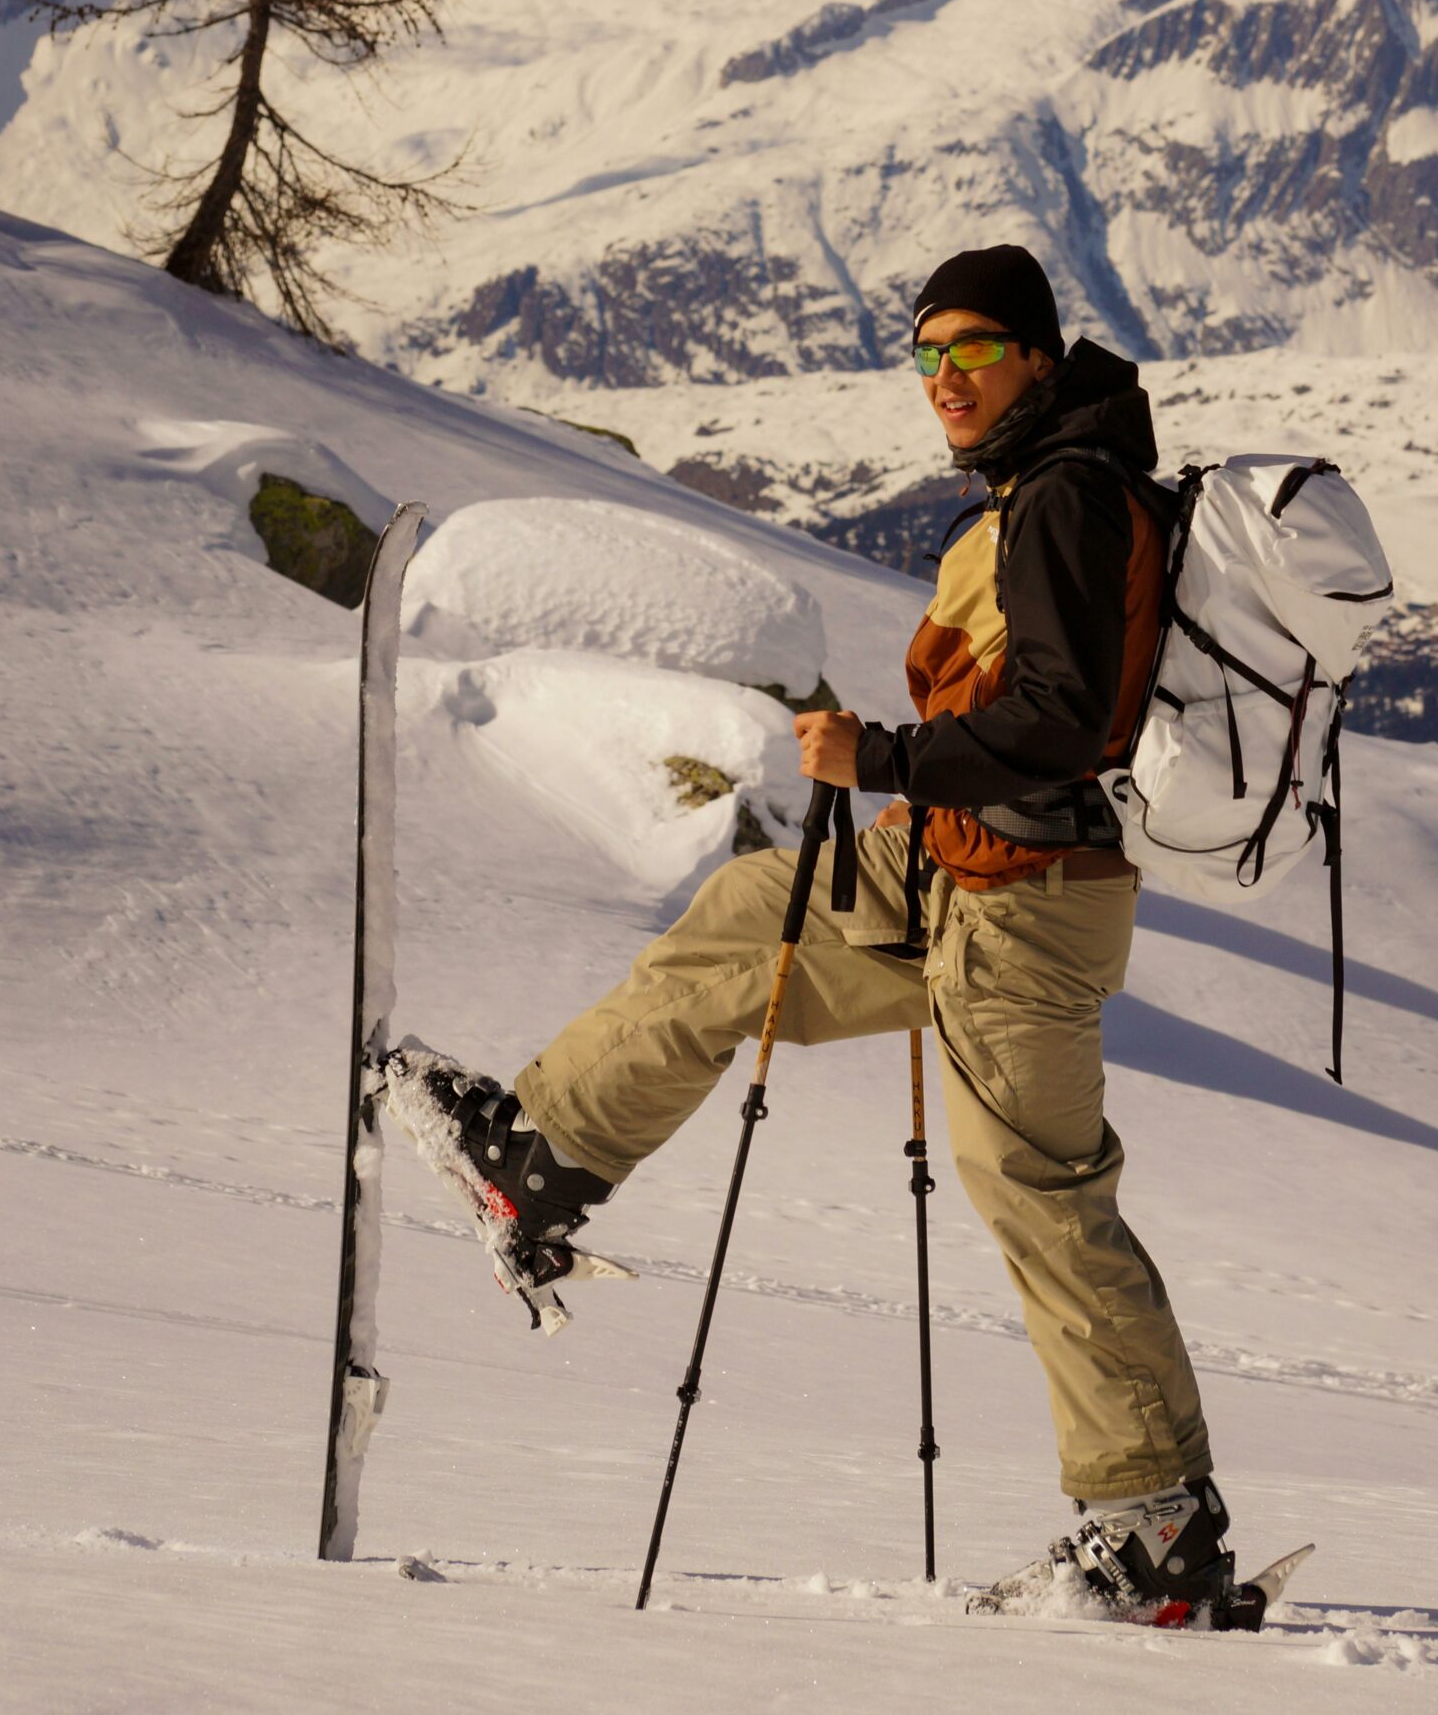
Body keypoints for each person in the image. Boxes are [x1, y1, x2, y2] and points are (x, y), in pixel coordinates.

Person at [402, 243, 1236, 1620]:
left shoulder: (1065, 497)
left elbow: (1061, 717)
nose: (947, 377)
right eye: (928, 354)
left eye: (975, 349)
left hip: (1026, 909)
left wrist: (883, 756)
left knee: (1042, 1199)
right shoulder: (1052, 479)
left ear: (1037, 356)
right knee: (746, 915)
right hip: (962, 866)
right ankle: (537, 1160)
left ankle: (1156, 1530)